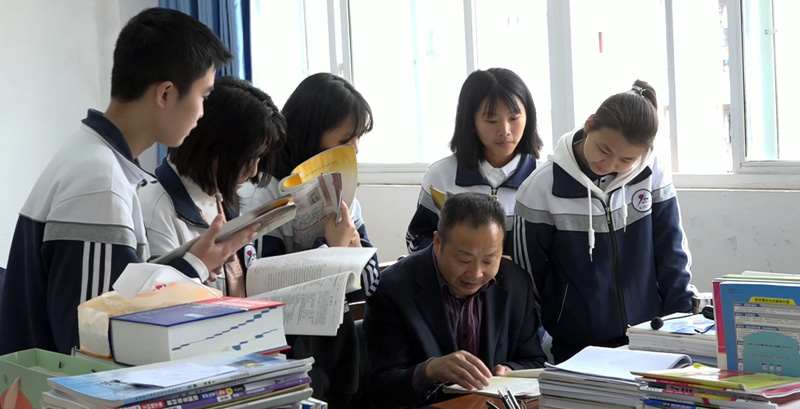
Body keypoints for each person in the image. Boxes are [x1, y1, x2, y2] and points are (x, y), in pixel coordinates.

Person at [0, 8, 259, 355]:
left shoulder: (98, 160)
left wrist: (190, 263)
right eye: (204, 97)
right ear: (165, 94)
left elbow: (116, 294)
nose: (202, 113)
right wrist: (192, 268)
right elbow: (88, 342)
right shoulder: (100, 182)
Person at [512, 80, 697, 364]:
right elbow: (528, 279)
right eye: (604, 149)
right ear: (589, 125)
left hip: (650, 338)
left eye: (626, 159)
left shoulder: (652, 173)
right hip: (577, 347)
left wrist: (679, 325)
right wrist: (560, 323)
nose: (609, 164)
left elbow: (672, 253)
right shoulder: (541, 187)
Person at [238, 72, 379, 408]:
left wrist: (349, 255)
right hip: (286, 353)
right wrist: (333, 252)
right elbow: (263, 287)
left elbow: (370, 283)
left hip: (338, 348)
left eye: (358, 138)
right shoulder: (261, 194)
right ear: (310, 133)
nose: (355, 149)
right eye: (346, 139)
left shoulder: (344, 194)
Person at [365, 192, 546, 409]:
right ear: (438, 243)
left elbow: (534, 361)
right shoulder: (393, 288)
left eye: (489, 260)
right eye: (464, 259)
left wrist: (510, 370)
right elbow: (379, 388)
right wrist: (429, 372)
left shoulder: (515, 283)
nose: (476, 273)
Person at [139, 76, 287, 297]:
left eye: (260, 158)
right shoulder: (155, 211)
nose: (254, 171)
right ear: (213, 146)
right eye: (249, 158)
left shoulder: (221, 197)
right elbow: (155, 303)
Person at [406, 68, 543, 255]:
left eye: (514, 118)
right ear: (471, 122)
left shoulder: (542, 180)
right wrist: (459, 259)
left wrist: (510, 268)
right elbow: (416, 240)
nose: (505, 131)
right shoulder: (441, 177)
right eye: (491, 120)